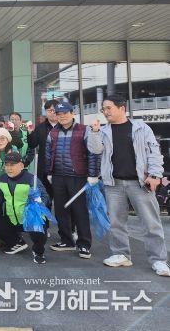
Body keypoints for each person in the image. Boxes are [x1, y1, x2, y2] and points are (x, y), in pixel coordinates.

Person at [88, 94, 170, 277]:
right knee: (116, 222)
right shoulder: (103, 131)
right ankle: (121, 254)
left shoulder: (141, 128)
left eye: (109, 108)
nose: (105, 112)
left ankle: (158, 259)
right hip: (113, 183)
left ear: (122, 108)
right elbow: (95, 150)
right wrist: (94, 132)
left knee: (150, 223)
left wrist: (155, 175)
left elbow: (154, 153)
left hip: (140, 183)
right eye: (103, 109)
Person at [45, 102, 100, 259]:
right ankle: (66, 240)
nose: (62, 116)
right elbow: (48, 154)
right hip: (58, 176)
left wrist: (93, 174)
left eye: (65, 113)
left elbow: (93, 153)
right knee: (60, 210)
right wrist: (49, 172)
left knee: (79, 211)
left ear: (72, 113)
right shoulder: (53, 132)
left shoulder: (84, 130)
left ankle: (84, 244)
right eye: (59, 114)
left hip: (78, 177)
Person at [0, 152, 50, 263]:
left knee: (38, 226)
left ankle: (38, 252)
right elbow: (0, 196)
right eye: (7, 165)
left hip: (29, 218)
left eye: (12, 165)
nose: (9, 168)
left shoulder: (31, 179)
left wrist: (39, 201)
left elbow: (45, 196)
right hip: (12, 218)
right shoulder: (2, 178)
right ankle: (17, 242)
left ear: (21, 166)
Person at [27, 99, 59, 201]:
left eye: (54, 110)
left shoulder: (64, 126)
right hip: (44, 168)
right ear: (46, 112)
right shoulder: (40, 128)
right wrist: (30, 133)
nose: (52, 113)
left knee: (61, 199)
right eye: (49, 110)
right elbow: (32, 144)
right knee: (46, 197)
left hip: (61, 169)